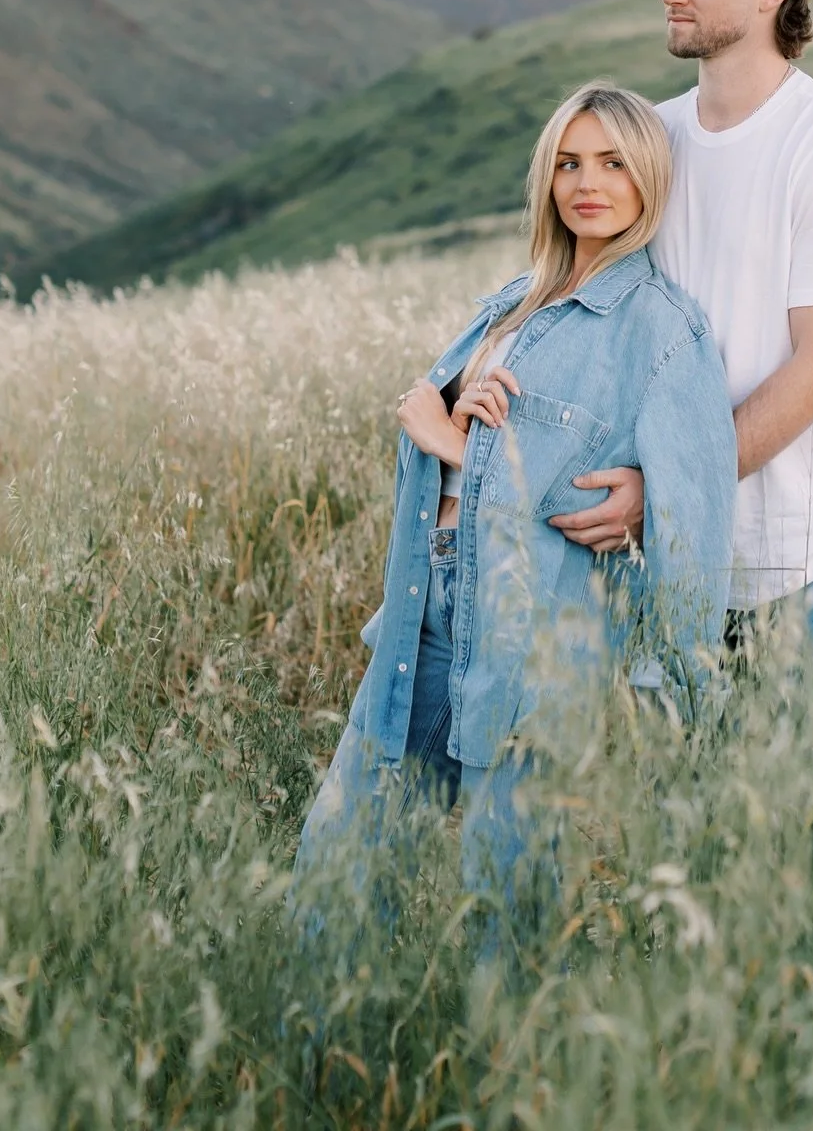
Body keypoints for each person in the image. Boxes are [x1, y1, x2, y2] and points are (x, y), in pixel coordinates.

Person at [291, 82, 737, 936]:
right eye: (568, 162)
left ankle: (514, 1064)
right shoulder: (510, 300)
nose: (586, 182)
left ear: (649, 174)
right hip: (422, 612)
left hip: (536, 632)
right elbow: (451, 444)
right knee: (339, 861)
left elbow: (687, 524)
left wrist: (456, 444)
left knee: (509, 895)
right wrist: (449, 422)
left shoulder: (661, 331)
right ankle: (323, 1062)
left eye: (612, 162)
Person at [549, 0, 813, 706]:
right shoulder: (653, 141)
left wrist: (667, 491)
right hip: (667, 560)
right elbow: (590, 307)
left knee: (806, 826)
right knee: (681, 821)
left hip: (801, 562)